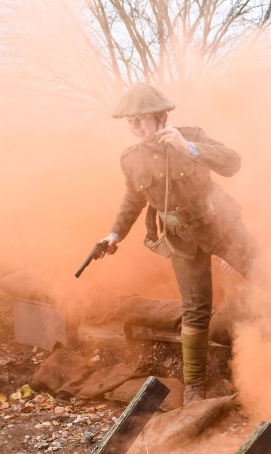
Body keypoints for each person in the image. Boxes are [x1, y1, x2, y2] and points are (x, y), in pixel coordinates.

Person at [100, 83, 257, 404]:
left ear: (161, 116)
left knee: (268, 275)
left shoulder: (190, 136)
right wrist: (114, 234)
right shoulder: (131, 159)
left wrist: (190, 148)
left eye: (140, 119)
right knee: (196, 309)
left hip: (221, 225)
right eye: (130, 121)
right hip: (182, 239)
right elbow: (134, 199)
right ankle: (195, 385)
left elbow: (233, 162)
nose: (135, 126)